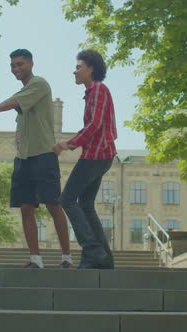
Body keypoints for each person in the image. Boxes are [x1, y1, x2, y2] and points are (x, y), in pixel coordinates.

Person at [0, 49, 72, 268]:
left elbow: (12, 102)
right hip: (23, 159)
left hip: (43, 155)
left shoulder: (39, 84)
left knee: (53, 204)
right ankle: (35, 258)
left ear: (30, 63)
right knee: (26, 208)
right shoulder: (24, 93)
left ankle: (66, 257)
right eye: (13, 66)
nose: (16, 69)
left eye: (20, 64)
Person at [53, 49, 117, 269]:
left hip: (96, 155)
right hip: (101, 155)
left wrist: (69, 143)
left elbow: (95, 125)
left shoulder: (98, 89)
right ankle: (104, 258)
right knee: (86, 204)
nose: (75, 71)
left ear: (91, 68)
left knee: (66, 199)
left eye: (79, 67)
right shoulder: (91, 93)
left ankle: (92, 251)